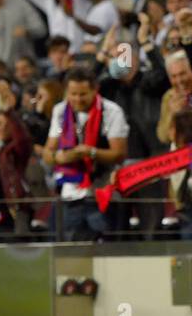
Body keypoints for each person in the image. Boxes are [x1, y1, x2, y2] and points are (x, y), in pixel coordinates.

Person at [43, 66, 129, 241]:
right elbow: (48, 152)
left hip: (102, 194)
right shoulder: (60, 111)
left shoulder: (111, 111)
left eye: (82, 94)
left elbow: (119, 154)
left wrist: (91, 152)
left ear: (94, 89)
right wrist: (58, 157)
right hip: (70, 193)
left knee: (105, 251)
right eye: (73, 94)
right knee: (71, 253)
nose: (77, 99)